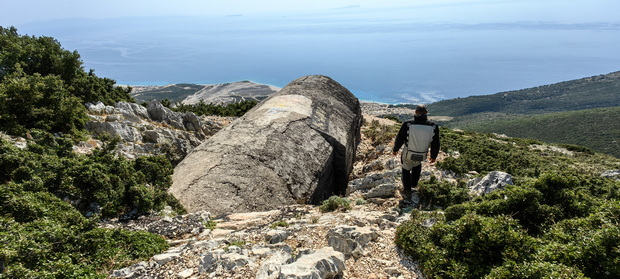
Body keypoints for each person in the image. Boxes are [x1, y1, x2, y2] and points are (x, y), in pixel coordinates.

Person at [392, 105, 440, 205]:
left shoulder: (408, 124)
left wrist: (395, 149)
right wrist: (433, 156)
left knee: (406, 168)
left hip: (408, 152)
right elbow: (435, 143)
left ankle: (407, 190)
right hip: (422, 154)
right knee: (417, 165)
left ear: (416, 112)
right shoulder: (433, 126)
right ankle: (414, 183)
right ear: (426, 113)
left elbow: (400, 138)